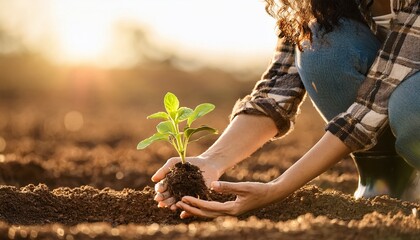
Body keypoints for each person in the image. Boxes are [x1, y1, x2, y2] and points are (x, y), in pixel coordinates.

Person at [152, 0, 420, 219]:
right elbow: (277, 90)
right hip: (384, 97)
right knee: (318, 42)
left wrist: (277, 188)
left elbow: (375, 102)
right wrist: (211, 161)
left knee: (410, 108)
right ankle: (387, 179)